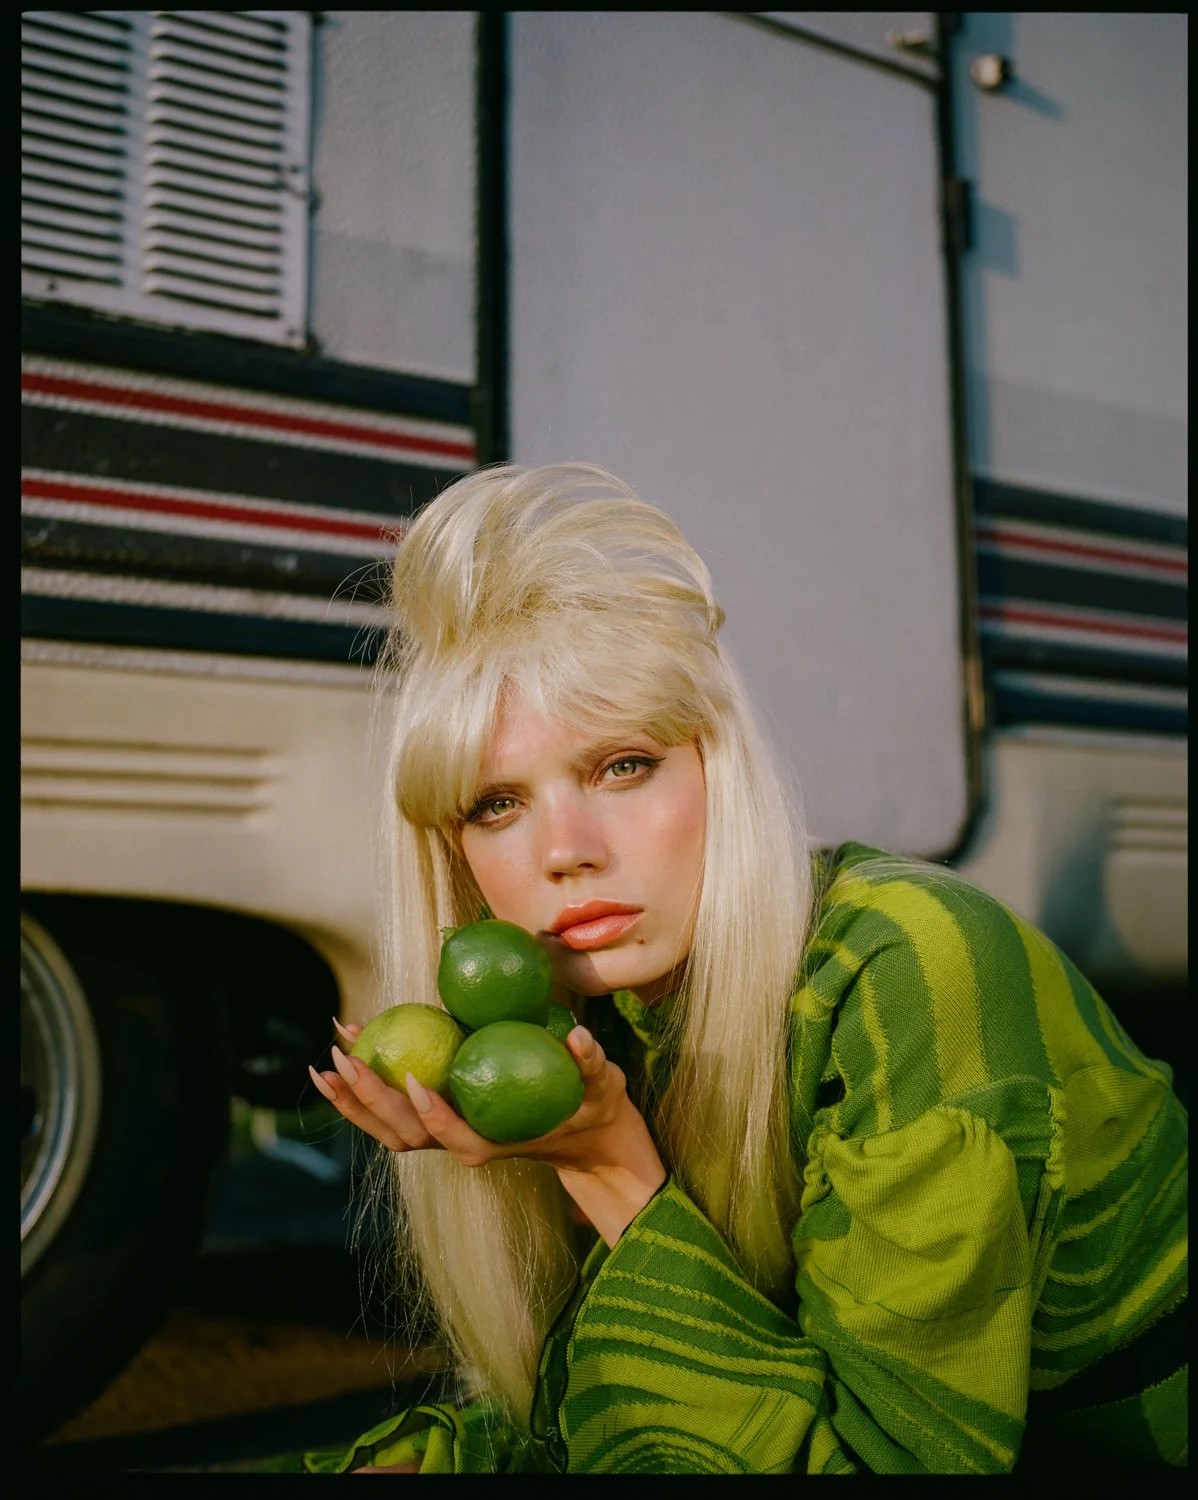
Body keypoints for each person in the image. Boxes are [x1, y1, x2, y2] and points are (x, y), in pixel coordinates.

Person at [302, 463, 1187, 1475]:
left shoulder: (912, 972)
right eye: (495, 804)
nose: (566, 848)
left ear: (716, 764)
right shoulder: (602, 1017)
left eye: (622, 766)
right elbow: (681, 1379)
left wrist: (610, 1170)